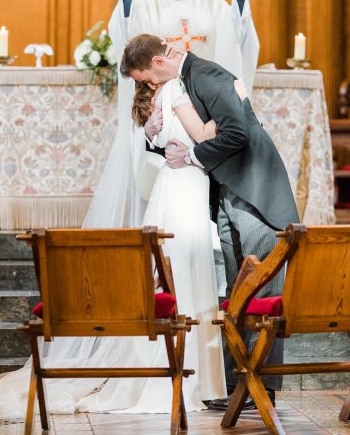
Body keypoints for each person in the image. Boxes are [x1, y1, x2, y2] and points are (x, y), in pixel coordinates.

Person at [0, 64, 250, 418]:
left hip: (177, 183)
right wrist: (234, 103)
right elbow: (204, 133)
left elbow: (173, 137)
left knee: (178, 271)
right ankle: (186, 379)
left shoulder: (163, 95)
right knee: (184, 273)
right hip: (185, 185)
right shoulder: (176, 90)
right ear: (157, 65)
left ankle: (186, 377)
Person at [120, 34, 300, 412]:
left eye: (147, 78)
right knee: (240, 295)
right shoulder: (186, 81)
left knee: (261, 290)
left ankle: (261, 386)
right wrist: (157, 137)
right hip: (229, 194)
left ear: (157, 62)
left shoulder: (209, 75)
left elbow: (236, 133)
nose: (149, 86)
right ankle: (239, 381)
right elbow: (187, 133)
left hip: (254, 194)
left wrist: (193, 158)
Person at [85, 0, 259, 232]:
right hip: (162, 107)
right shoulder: (146, 6)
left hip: (202, 106)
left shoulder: (214, 5)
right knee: (160, 178)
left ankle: (213, 232)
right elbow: (126, 36)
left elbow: (238, 36)